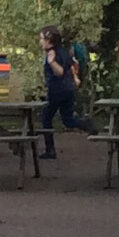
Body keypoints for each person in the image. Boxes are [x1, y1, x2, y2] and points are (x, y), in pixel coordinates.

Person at [38, 25, 83, 159]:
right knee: (68, 120)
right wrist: (75, 78)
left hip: (57, 91)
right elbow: (70, 65)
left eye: (41, 39)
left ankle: (50, 150)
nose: (40, 41)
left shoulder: (52, 54)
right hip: (68, 89)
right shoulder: (63, 51)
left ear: (49, 40)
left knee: (46, 117)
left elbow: (60, 72)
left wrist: (51, 62)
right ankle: (87, 124)